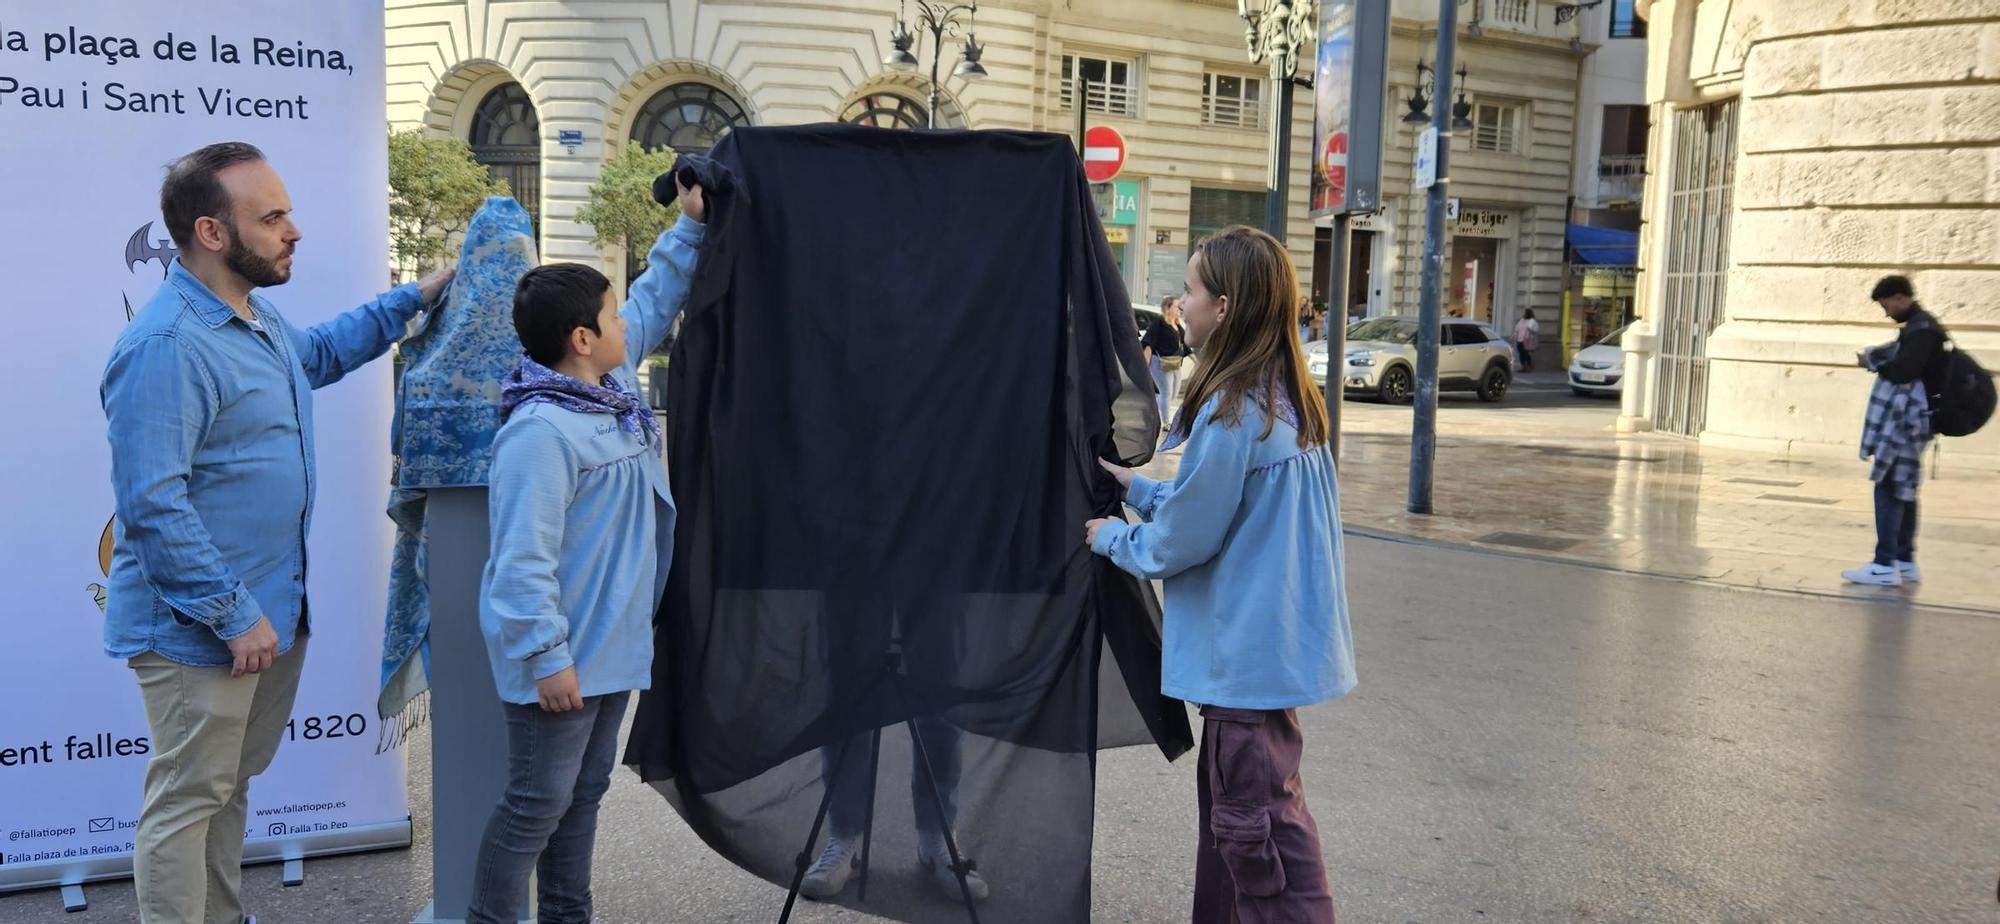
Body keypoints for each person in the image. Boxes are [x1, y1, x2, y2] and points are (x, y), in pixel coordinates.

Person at [100, 141, 453, 924]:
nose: (293, 230)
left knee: (225, 788)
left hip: (265, 617)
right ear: (212, 233)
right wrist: (235, 615)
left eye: (287, 211)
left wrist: (415, 298)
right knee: (188, 799)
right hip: (205, 628)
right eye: (272, 217)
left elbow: (320, 354)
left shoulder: (252, 318)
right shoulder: (165, 346)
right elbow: (153, 506)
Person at [1085, 225, 1355, 924]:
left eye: (1194, 289)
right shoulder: (1282, 399)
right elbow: (1221, 504)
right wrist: (1136, 487)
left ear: (1226, 308)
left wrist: (1116, 537)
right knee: (1241, 838)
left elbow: (1186, 539)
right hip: (1267, 665)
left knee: (1257, 844)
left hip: (1242, 669)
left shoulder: (1232, 411)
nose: (1182, 301)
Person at [464, 176, 706, 924]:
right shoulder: (542, 431)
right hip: (565, 656)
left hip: (609, 648)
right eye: (610, 316)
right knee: (535, 805)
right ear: (581, 340)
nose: (626, 325)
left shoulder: (605, 394)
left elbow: (653, 298)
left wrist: (691, 226)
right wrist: (547, 656)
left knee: (581, 797)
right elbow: (520, 561)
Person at [1842, 274, 1945, 588]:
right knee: (1905, 488)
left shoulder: (1922, 330)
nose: (1887, 313)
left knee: (1888, 485)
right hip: (1920, 419)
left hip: (1908, 421)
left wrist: (1872, 363)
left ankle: (1884, 563)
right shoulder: (1922, 327)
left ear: (1900, 297)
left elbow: (1904, 372)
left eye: (1887, 305)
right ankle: (1904, 560)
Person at [1143, 296, 1189, 426]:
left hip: (1175, 363)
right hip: (1160, 363)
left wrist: (1196, 360)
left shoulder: (1177, 324)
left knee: (1173, 393)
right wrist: (1146, 363)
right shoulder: (1159, 322)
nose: (1179, 309)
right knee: (1166, 392)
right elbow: (1148, 342)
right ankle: (1165, 422)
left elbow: (1184, 345)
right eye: (1176, 306)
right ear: (1167, 308)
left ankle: (1151, 410)